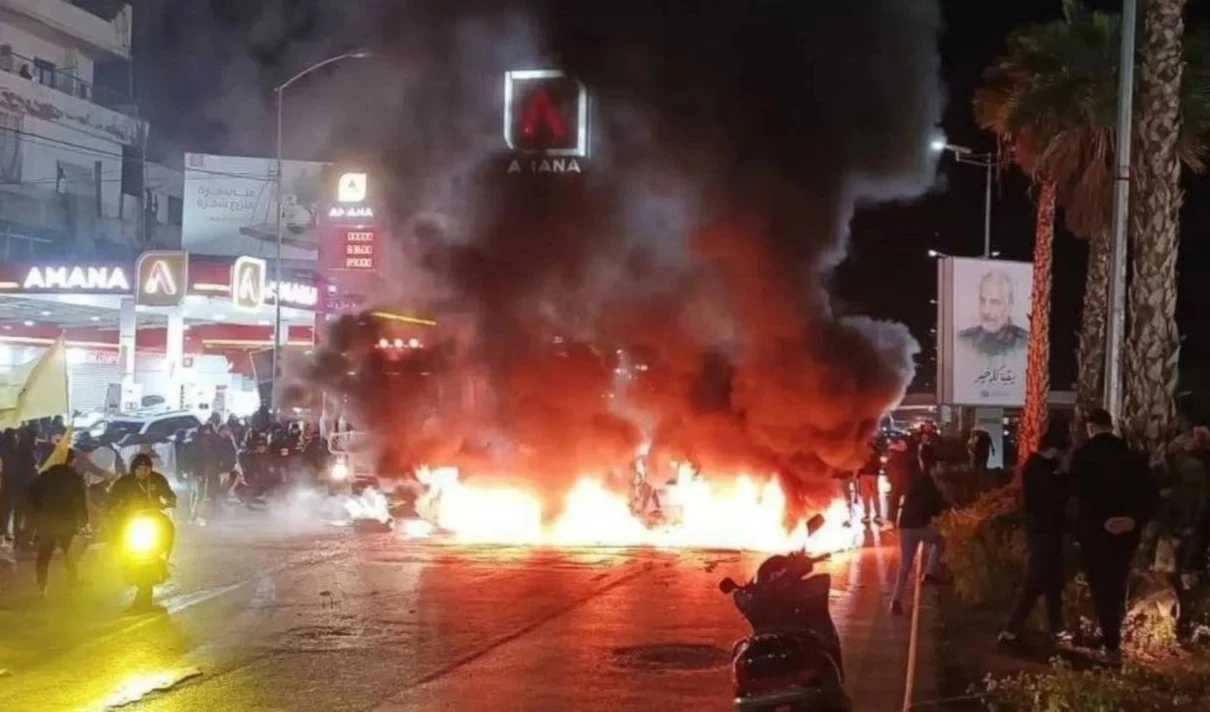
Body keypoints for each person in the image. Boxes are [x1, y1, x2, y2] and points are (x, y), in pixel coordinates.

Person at [1069, 408, 1156, 664]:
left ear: (1090, 427)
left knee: (1101, 586)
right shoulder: (1131, 455)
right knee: (1118, 583)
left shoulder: (1083, 455)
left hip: (1096, 533)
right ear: (1111, 425)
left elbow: (1079, 496)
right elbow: (1148, 494)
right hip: (1127, 533)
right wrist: (1132, 520)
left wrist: (1095, 524)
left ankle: (1111, 644)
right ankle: (1114, 636)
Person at [999, 424, 1071, 646]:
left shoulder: (1039, 466)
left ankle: (1056, 629)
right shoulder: (1040, 470)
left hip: (1046, 531)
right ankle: (1011, 631)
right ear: (1055, 450)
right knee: (1035, 581)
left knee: (1053, 582)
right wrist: (1063, 478)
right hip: (1043, 532)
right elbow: (1052, 499)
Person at [890, 465, 950, 615]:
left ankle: (896, 600)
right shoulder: (930, 485)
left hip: (905, 527)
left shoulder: (915, 481)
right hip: (920, 527)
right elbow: (936, 506)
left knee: (905, 565)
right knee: (941, 539)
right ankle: (929, 572)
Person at [27, 448, 87, 596]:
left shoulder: (44, 476)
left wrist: (37, 515)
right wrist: (83, 520)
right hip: (66, 521)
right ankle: (73, 579)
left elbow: (32, 497)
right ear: (71, 461)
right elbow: (79, 501)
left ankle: (42, 586)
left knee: (44, 555)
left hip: (46, 521)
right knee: (69, 552)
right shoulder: (74, 477)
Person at [957, 270, 1028, 359]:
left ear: (1009, 306)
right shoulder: (963, 341)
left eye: (994, 302)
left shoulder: (1027, 344)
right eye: (983, 301)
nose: (986, 311)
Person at [884, 434, 915, 528]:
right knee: (907, 500)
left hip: (897, 478)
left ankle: (891, 520)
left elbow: (888, 465)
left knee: (894, 500)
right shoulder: (908, 452)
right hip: (904, 478)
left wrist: (889, 476)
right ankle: (906, 520)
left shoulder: (892, 452)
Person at [856, 441, 883, 525]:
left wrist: (858, 473)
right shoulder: (876, 451)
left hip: (865, 474)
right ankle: (878, 515)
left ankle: (867, 515)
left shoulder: (862, 451)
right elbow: (879, 464)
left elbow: (859, 463)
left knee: (866, 496)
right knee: (875, 495)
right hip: (874, 475)